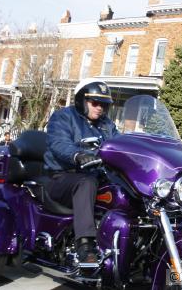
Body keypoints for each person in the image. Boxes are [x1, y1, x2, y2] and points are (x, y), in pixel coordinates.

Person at [43, 78, 118, 264]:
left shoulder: (107, 125)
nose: (99, 108)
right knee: (87, 182)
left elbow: (119, 145)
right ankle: (85, 245)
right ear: (81, 100)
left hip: (95, 176)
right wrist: (77, 155)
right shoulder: (63, 117)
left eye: (104, 104)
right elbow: (58, 143)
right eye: (95, 103)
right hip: (61, 177)